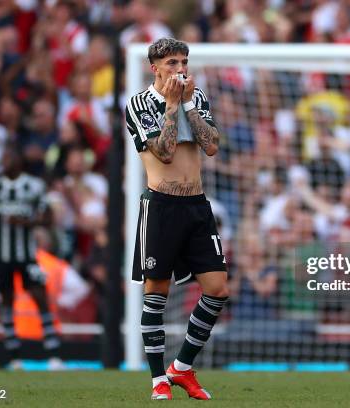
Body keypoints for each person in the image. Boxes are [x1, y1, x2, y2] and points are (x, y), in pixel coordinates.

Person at [125, 38, 228, 400]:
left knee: (217, 289)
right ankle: (158, 382)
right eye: (171, 63)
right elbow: (165, 153)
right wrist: (172, 105)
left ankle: (181, 369)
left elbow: (212, 145)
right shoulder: (138, 104)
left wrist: (188, 106)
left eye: (183, 61)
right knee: (157, 295)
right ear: (155, 67)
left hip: (197, 205)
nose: (180, 69)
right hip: (162, 206)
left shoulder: (195, 97)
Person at [0, 146, 62, 370]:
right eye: (2, 157)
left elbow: (48, 218)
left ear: (18, 160)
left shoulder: (33, 186)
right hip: (2, 256)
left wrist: (27, 223)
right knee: (6, 302)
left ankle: (54, 355)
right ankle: (14, 357)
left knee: (40, 297)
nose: (4, 161)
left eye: (8, 156)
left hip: (26, 255)